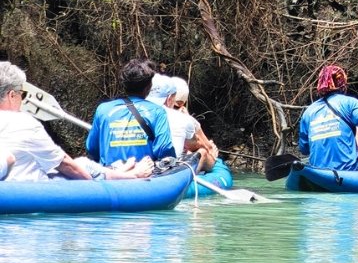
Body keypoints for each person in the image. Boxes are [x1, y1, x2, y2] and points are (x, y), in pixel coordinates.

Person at [0, 61, 148, 181]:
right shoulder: (23, 122)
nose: (23, 99)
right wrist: (92, 187)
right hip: (35, 190)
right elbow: (64, 163)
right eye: (22, 94)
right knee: (82, 164)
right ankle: (131, 175)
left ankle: (116, 171)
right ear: (12, 95)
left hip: (17, 182)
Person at [85, 58, 175, 168]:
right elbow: (164, 149)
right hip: (144, 177)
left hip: (111, 176)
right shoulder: (157, 111)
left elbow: (92, 148)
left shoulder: (103, 110)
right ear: (148, 86)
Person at [168, 76, 219, 171]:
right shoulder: (188, 120)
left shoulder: (154, 113)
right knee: (204, 151)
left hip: (166, 159)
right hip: (178, 161)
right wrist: (211, 150)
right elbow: (203, 145)